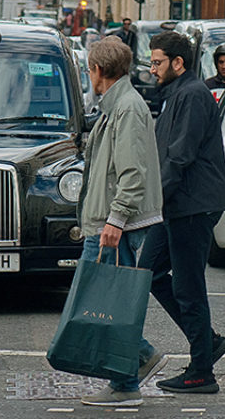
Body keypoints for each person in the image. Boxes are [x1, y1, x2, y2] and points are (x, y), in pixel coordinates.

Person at [74, 38, 165, 408]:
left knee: (104, 301)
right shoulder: (118, 106)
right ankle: (132, 367)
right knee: (106, 301)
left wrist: (115, 219)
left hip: (114, 224)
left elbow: (132, 172)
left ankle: (129, 377)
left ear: (96, 70)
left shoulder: (126, 108)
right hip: (108, 220)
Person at [140, 31, 225, 394]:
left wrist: (151, 202)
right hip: (176, 204)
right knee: (146, 273)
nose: (152, 69)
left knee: (189, 286)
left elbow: (180, 156)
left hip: (192, 205)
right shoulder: (176, 93)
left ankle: (201, 372)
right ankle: (207, 343)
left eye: (158, 62)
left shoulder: (192, 95)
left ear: (178, 63)